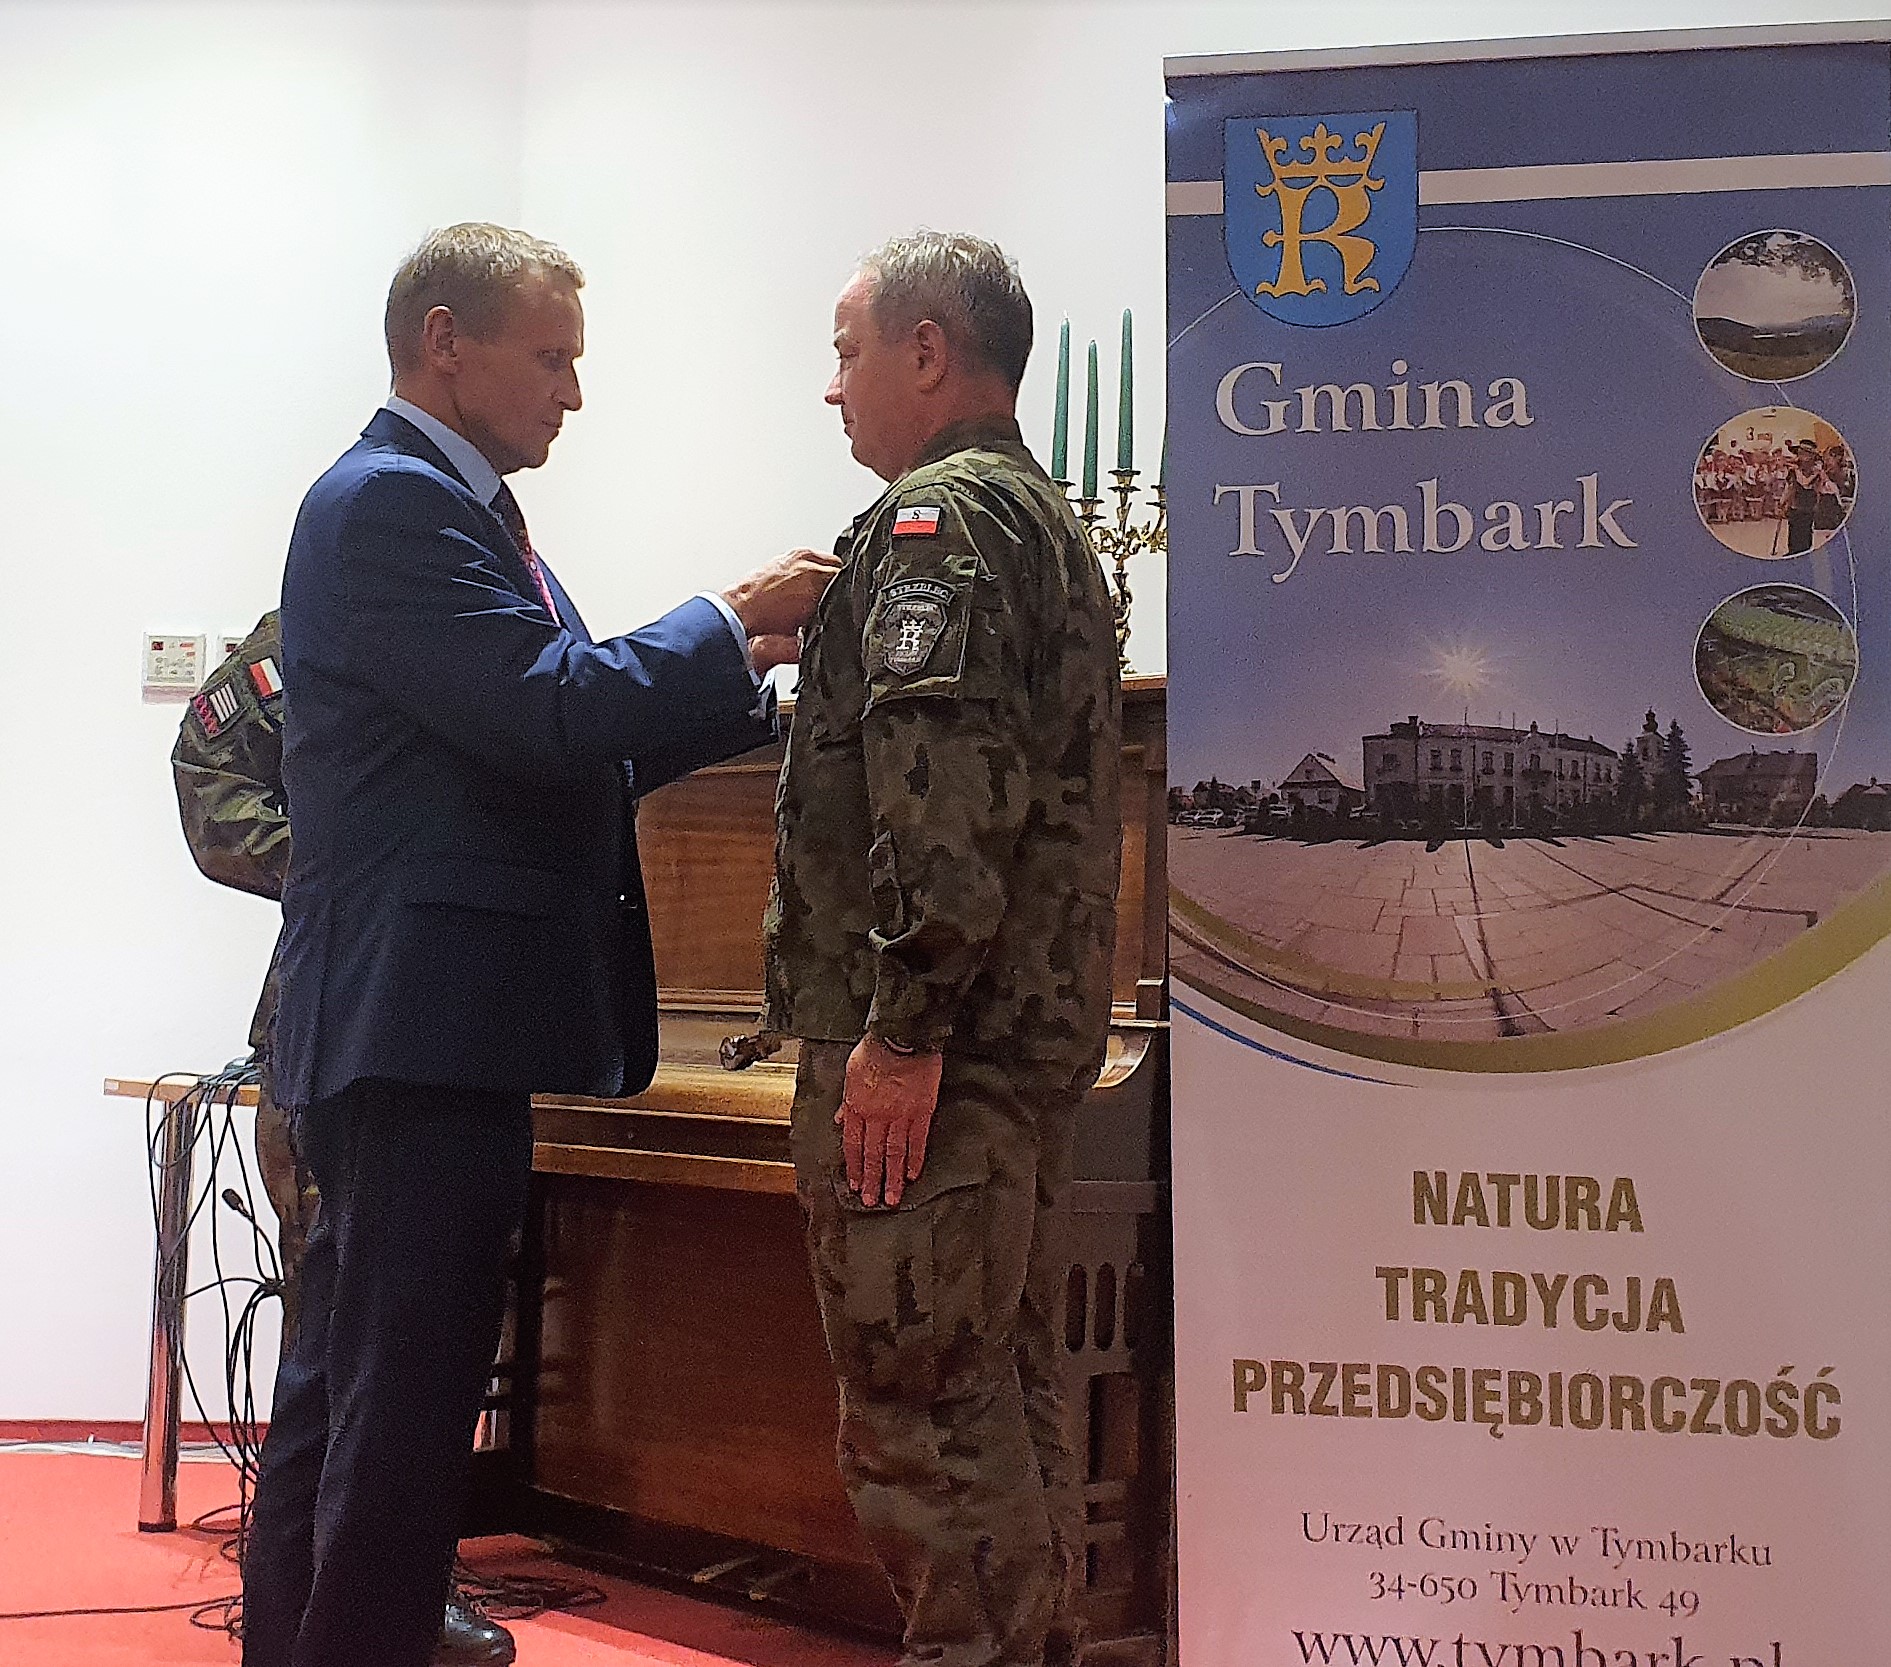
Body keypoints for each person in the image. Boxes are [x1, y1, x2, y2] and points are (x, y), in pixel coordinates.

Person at [240, 222, 837, 1667]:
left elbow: (555, 744)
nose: (573, 390)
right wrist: (730, 615)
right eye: (552, 356)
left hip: (419, 1022)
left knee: (355, 1388)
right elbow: (547, 707)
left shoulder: (454, 510)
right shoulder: (393, 503)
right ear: (446, 342)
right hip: (418, 1024)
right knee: (397, 1405)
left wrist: (745, 681)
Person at [763, 231, 1122, 1667]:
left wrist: (901, 1027)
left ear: (926, 352)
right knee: (1001, 1399)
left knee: (919, 1417)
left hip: (941, 1061)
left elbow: (941, 798)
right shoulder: (1034, 517)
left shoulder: (938, 523)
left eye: (845, 352)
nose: (831, 387)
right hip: (1009, 1053)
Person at [171, 613, 527, 1666]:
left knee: (421, 1340)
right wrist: (348, 863)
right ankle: (321, 1604)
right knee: (339, 1347)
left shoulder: (487, 626)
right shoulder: (320, 624)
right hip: (337, 1018)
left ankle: (401, 1586)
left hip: (454, 1019)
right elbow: (209, 779)